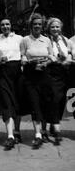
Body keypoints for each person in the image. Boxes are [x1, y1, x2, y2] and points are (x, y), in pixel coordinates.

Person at [20, 14, 55, 149]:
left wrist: (47, 62)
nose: (37, 26)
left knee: (45, 103)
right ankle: (38, 135)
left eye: (39, 24)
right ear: (31, 25)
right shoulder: (25, 40)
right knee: (35, 104)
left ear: (42, 26)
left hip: (44, 76)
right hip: (31, 76)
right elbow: (22, 55)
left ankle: (44, 131)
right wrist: (26, 61)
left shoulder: (46, 40)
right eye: (35, 24)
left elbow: (52, 55)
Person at [0, 18, 23, 150]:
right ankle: (10, 136)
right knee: (6, 102)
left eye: (7, 24)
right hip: (3, 72)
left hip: (17, 72)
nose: (5, 27)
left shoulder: (19, 39)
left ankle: (17, 131)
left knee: (17, 102)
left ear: (11, 26)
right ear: (0, 27)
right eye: (2, 25)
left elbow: (24, 54)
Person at [45, 17, 73, 144]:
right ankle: (56, 128)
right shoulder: (46, 40)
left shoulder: (66, 40)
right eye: (52, 27)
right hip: (51, 72)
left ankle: (53, 122)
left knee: (62, 100)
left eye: (57, 27)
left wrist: (68, 60)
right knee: (55, 98)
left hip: (64, 73)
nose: (55, 29)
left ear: (61, 28)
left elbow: (71, 55)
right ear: (49, 28)